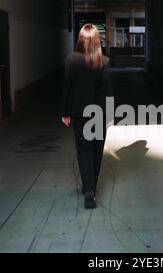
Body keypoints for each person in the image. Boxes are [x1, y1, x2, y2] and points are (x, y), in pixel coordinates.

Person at [61, 24, 113, 209]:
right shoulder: (104, 61)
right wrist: (110, 115)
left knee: (84, 150)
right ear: (97, 41)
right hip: (99, 114)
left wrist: (65, 112)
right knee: (97, 151)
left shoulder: (71, 60)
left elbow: (67, 88)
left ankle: (88, 189)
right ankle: (91, 187)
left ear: (80, 40)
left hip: (80, 114)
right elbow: (107, 91)